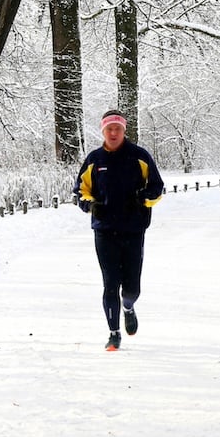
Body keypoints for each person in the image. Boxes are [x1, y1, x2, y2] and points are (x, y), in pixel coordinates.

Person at [76, 109, 165, 351]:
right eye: (109, 129)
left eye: (117, 128)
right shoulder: (94, 160)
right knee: (110, 283)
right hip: (104, 231)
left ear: (124, 131)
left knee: (132, 287)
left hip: (133, 229)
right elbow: (80, 190)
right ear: (103, 131)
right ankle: (113, 333)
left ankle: (128, 306)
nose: (113, 133)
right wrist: (91, 205)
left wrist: (142, 200)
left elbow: (157, 188)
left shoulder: (139, 156)